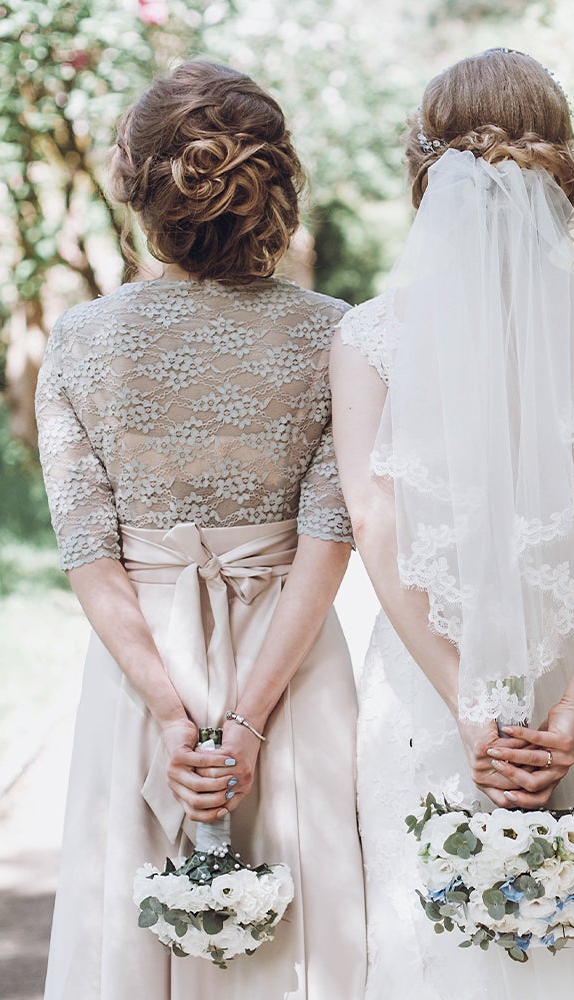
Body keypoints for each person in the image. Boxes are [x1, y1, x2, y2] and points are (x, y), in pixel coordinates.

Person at [331, 48, 574, 999]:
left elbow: (374, 522)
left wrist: (465, 704)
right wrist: (568, 714)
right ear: (561, 168)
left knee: (432, 932)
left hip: (427, 682)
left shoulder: (368, 339)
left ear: (426, 175)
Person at [38, 61, 364, 998]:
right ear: (276, 189)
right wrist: (250, 721)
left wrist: (176, 716)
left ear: (140, 188)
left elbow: (91, 558)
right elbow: (324, 550)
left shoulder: (81, 339)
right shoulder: (336, 334)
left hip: (143, 666)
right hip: (290, 664)